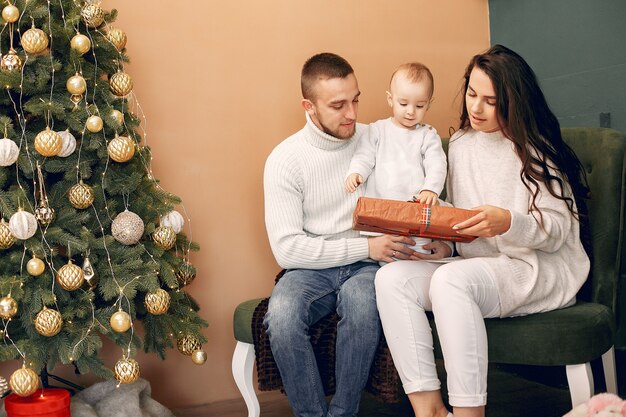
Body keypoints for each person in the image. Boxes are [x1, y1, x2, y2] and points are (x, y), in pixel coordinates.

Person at [374, 44, 591, 417]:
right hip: (480, 267)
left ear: (513, 101)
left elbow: (558, 231)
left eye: (490, 101)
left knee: (450, 282)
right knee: (392, 279)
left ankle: (469, 413)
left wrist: (509, 221)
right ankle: (429, 410)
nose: (475, 108)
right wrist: (446, 243)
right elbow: (463, 218)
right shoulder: (460, 144)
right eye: (472, 94)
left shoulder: (536, 148)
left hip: (535, 268)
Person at [263, 52, 418, 417]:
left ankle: (344, 413)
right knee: (281, 315)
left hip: (369, 264)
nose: (352, 114)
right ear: (309, 106)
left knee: (362, 304)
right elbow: (287, 251)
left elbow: (419, 179)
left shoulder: (376, 139)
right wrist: (365, 245)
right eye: (338, 105)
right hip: (313, 268)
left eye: (356, 99)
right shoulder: (285, 159)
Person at [345, 62, 447, 254]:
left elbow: (437, 164)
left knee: (418, 250)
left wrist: (430, 188)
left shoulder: (427, 135)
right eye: (403, 103)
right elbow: (364, 154)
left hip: (414, 206)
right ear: (390, 99)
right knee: (386, 252)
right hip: (383, 205)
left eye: (419, 106)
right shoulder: (377, 130)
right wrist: (357, 172)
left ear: (429, 104)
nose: (410, 111)